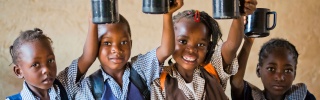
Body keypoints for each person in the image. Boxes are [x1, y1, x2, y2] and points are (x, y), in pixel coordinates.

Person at [74, 0, 184, 99]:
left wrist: (167, 15)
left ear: (130, 44)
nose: (116, 49)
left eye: (123, 42)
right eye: (107, 43)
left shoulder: (140, 69)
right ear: (96, 47)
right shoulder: (90, 87)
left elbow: (166, 50)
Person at [151, 0, 258, 99]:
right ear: (170, 41)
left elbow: (232, 45)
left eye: (201, 44)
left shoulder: (213, 69)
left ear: (209, 47)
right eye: (183, 41)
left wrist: (238, 14)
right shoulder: (161, 80)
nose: (191, 50)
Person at [230, 38, 316, 100]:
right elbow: (236, 82)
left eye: (287, 70)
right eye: (271, 69)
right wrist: (248, 42)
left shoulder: (302, 96)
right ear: (258, 70)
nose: (279, 77)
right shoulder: (251, 96)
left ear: (294, 73)